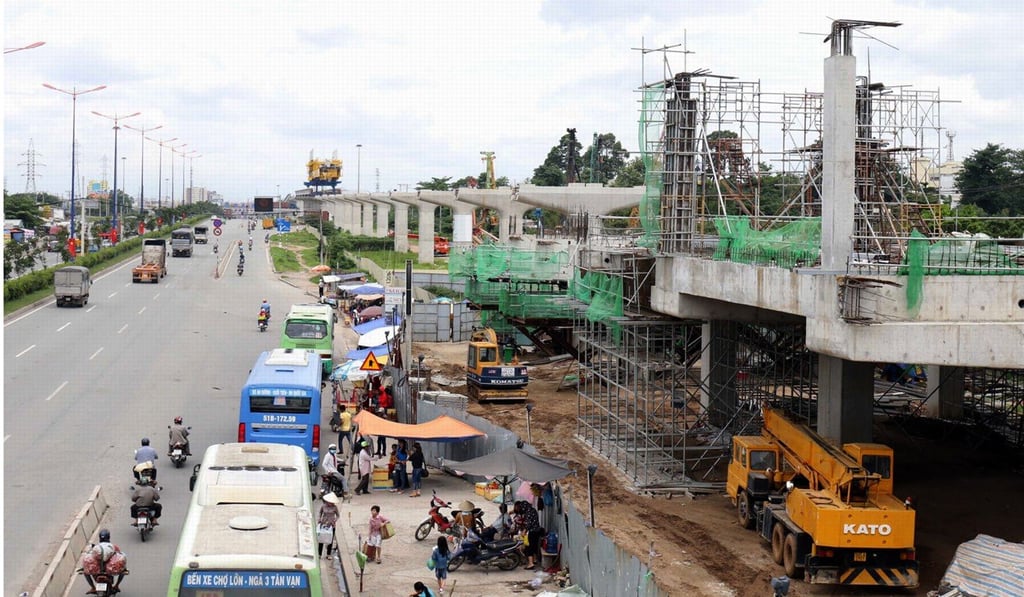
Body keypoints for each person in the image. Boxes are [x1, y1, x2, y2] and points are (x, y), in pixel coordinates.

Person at [81, 529, 127, 595]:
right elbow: (119, 555)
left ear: (100, 538)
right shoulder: (113, 546)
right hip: (109, 570)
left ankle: (93, 587)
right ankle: (117, 585)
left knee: (85, 572)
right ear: (108, 537)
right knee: (123, 568)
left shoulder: (96, 547)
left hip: (97, 570)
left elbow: (90, 555)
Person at [513, 500, 543, 570]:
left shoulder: (528, 512)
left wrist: (524, 531)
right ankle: (534, 560)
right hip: (537, 531)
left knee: (529, 547)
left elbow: (529, 524)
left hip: (532, 531)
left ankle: (530, 563)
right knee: (534, 546)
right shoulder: (532, 510)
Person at [318, 492, 340, 560]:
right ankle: (319, 554)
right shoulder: (323, 506)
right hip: (323, 524)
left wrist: (334, 521)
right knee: (321, 539)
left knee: (330, 540)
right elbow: (320, 513)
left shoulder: (335, 507)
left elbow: (338, 515)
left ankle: (328, 554)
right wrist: (319, 519)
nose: (330, 503)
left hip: (331, 526)